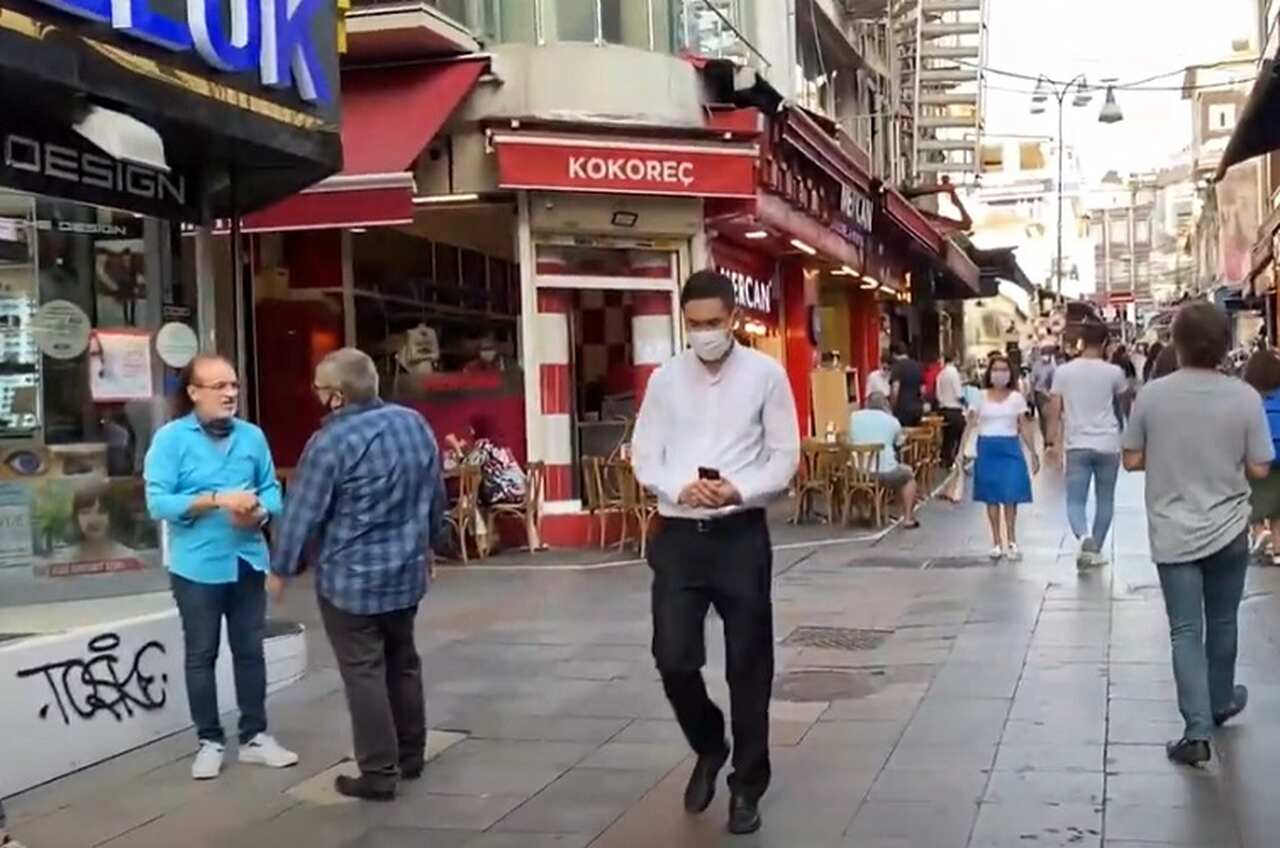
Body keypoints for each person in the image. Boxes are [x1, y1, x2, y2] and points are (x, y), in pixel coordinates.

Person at [632, 270, 799, 836]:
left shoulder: (766, 376)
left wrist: (739, 490)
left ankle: (747, 785)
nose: (704, 334)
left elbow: (784, 456)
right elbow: (643, 453)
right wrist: (674, 486)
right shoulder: (665, 380)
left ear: (733, 319)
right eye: (694, 324)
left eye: (713, 323)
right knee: (673, 658)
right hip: (679, 536)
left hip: (739, 536)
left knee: (749, 666)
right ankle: (709, 742)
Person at [270, 348, 446, 801]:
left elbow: (301, 513)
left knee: (364, 672)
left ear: (336, 397)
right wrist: (431, 543)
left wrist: (281, 568)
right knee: (403, 662)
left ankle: (378, 772)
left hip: (350, 582)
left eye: (319, 389)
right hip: (406, 573)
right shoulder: (414, 424)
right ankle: (411, 754)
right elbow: (434, 495)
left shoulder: (329, 444)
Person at [1122, 302, 1271, 766]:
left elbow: (1130, 459)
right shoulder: (1245, 397)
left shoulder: (1153, 395)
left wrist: (1166, 456)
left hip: (1173, 530)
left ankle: (1196, 731)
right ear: (1225, 344)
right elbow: (1260, 466)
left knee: (1185, 629)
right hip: (1229, 529)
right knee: (1224, 621)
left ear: (1177, 343)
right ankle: (1221, 699)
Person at [144, 355, 296, 781]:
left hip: (247, 560)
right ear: (194, 392)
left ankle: (255, 737)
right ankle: (209, 741)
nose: (230, 394)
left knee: (250, 650)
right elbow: (159, 502)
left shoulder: (252, 437)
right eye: (219, 387)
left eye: (234, 385)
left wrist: (260, 512)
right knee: (202, 654)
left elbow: (272, 490)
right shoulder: (171, 440)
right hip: (196, 567)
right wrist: (216, 499)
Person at [1048, 323, 1128, 571]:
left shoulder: (1063, 372)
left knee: (1075, 500)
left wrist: (1051, 441)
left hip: (1077, 444)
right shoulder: (1114, 372)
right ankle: (1096, 548)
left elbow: (1054, 409)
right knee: (1105, 499)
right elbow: (1125, 405)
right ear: (1105, 343)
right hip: (1108, 443)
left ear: (1081, 341)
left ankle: (1084, 539)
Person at [971, 354, 1040, 560]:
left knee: (1011, 494)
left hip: (1010, 447)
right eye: (995, 369)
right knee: (991, 497)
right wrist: (961, 453)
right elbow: (971, 423)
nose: (999, 374)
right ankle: (995, 541)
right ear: (989, 373)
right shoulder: (979, 396)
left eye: (1004, 369)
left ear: (1010, 373)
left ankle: (1012, 539)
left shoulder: (1016, 398)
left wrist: (1033, 452)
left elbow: (1024, 425)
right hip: (987, 447)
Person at [849, 393, 919, 527]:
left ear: (867, 403)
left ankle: (864, 512)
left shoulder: (854, 417)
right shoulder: (892, 421)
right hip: (885, 471)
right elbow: (898, 443)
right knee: (908, 475)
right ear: (885, 405)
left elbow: (850, 438)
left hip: (859, 471)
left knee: (849, 479)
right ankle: (908, 518)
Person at [1243, 349, 1280, 565]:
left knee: (1254, 500)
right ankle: (1278, 550)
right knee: (1279, 509)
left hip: (1259, 457)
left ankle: (1258, 533)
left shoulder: (1250, 398)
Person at [935, 352, 966, 469]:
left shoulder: (941, 374)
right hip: (954, 409)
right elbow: (958, 393)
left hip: (943, 409)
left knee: (947, 435)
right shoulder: (953, 372)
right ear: (955, 359)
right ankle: (954, 457)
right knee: (959, 433)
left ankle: (944, 458)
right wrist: (966, 403)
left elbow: (938, 394)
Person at [889, 342, 925, 426]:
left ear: (893, 354)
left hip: (902, 409)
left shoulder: (897, 367)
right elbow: (923, 390)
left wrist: (892, 406)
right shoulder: (917, 366)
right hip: (917, 408)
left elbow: (895, 389)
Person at [1028, 344, 1057, 441]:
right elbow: (1033, 381)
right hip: (1040, 393)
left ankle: (1049, 437)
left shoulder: (1052, 366)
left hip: (1050, 393)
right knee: (1043, 416)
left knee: (1049, 416)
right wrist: (1031, 395)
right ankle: (1045, 436)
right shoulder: (1037, 365)